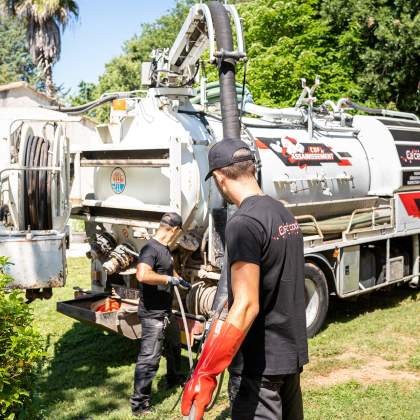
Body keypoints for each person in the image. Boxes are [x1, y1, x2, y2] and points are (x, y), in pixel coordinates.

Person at [181, 139, 308, 420]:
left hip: (258, 367)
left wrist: (207, 373)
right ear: (251, 169)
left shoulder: (243, 223)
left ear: (219, 177)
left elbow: (248, 304)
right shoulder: (283, 213)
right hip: (288, 356)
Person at [130, 212, 191, 416]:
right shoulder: (150, 249)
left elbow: (167, 269)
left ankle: (173, 378)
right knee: (149, 359)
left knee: (174, 345)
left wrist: (178, 279)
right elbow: (143, 274)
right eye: (179, 232)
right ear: (174, 230)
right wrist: (167, 280)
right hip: (152, 315)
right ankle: (139, 404)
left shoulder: (164, 248)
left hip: (166, 312)